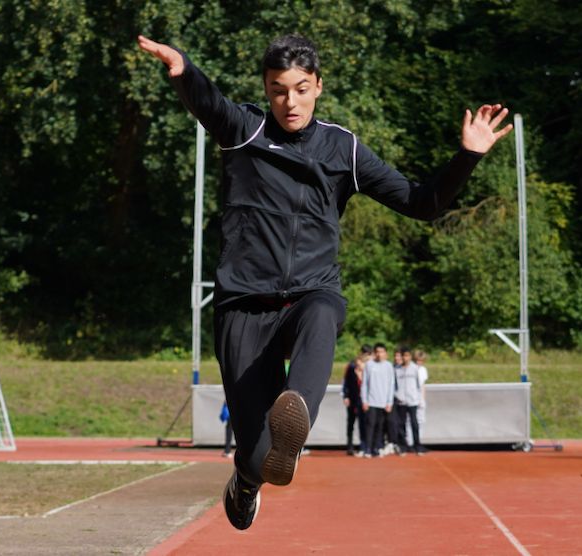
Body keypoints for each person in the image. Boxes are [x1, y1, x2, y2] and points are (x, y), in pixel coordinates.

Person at [137, 33, 510, 530]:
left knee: (322, 312)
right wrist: (184, 69)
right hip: (244, 305)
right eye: (277, 90)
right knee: (258, 458)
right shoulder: (244, 130)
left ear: (318, 86)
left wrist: (468, 155)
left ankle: (296, 418)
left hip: (310, 292)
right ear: (266, 91)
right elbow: (208, 103)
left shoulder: (344, 149)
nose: (289, 102)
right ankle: (246, 479)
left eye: (300, 88)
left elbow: (423, 204)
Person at [361, 344, 396, 458]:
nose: (379, 354)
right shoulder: (369, 365)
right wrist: (364, 400)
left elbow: (391, 385)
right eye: (377, 352)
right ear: (374, 353)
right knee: (370, 425)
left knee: (380, 426)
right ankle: (368, 449)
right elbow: (365, 384)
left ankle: (377, 448)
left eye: (382, 352)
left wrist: (389, 402)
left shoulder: (389, 366)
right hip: (371, 401)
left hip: (383, 403)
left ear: (386, 353)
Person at [341, 345, 370, 455]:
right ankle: (350, 446)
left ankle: (363, 445)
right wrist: (345, 396)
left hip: (363, 400)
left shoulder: (368, 370)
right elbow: (346, 383)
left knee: (363, 423)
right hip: (352, 400)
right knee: (351, 423)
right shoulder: (351, 368)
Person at [395, 348, 424, 455]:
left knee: (414, 423)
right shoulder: (397, 369)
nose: (405, 358)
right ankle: (403, 445)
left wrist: (419, 399)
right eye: (403, 356)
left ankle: (417, 445)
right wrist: (397, 396)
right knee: (401, 424)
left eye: (407, 356)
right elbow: (395, 385)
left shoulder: (415, 369)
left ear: (410, 357)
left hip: (412, 400)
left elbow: (419, 385)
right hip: (401, 401)